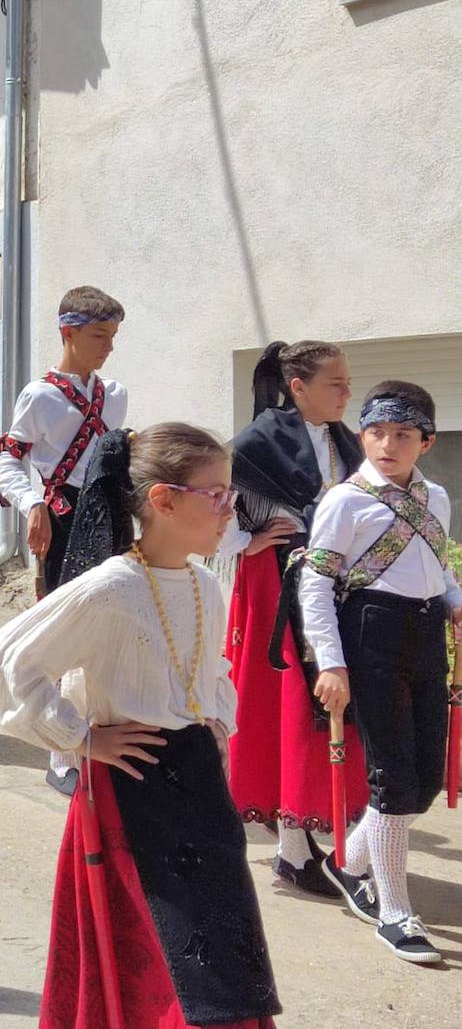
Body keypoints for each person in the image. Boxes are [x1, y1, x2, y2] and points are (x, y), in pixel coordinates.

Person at [0, 423, 281, 1029]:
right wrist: (81, 737)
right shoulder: (110, 587)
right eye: (217, 495)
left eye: (232, 493)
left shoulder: (202, 582)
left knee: (223, 961)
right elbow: (10, 659)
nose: (232, 510)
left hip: (200, 790)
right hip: (131, 794)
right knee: (158, 963)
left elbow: (213, 668)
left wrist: (216, 720)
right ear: (163, 500)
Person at [303, 382, 462, 964]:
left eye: (402, 434)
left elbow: (435, 564)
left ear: (426, 441)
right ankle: (394, 910)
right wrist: (331, 663)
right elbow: (316, 583)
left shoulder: (436, 497)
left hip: (424, 635)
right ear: (362, 434)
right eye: (376, 432)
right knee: (392, 780)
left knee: (426, 781)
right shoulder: (344, 501)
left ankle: (347, 862)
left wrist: (454, 596)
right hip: (368, 635)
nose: (387, 444)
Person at [220, 341, 368, 896]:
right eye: (336, 383)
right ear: (298, 387)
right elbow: (215, 502)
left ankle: (299, 842)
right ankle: (293, 847)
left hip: (333, 585)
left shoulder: (346, 442)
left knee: (321, 706)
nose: (347, 393)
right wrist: (247, 539)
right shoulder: (259, 441)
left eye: (348, 383)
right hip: (275, 585)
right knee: (284, 705)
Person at [0, 284, 127, 794]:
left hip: (108, 519)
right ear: (67, 332)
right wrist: (33, 503)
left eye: (112, 336)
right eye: (98, 335)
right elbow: (8, 457)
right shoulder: (41, 395)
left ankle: (102, 732)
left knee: (108, 627)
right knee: (62, 631)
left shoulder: (115, 395)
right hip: (63, 521)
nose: (107, 346)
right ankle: (61, 753)